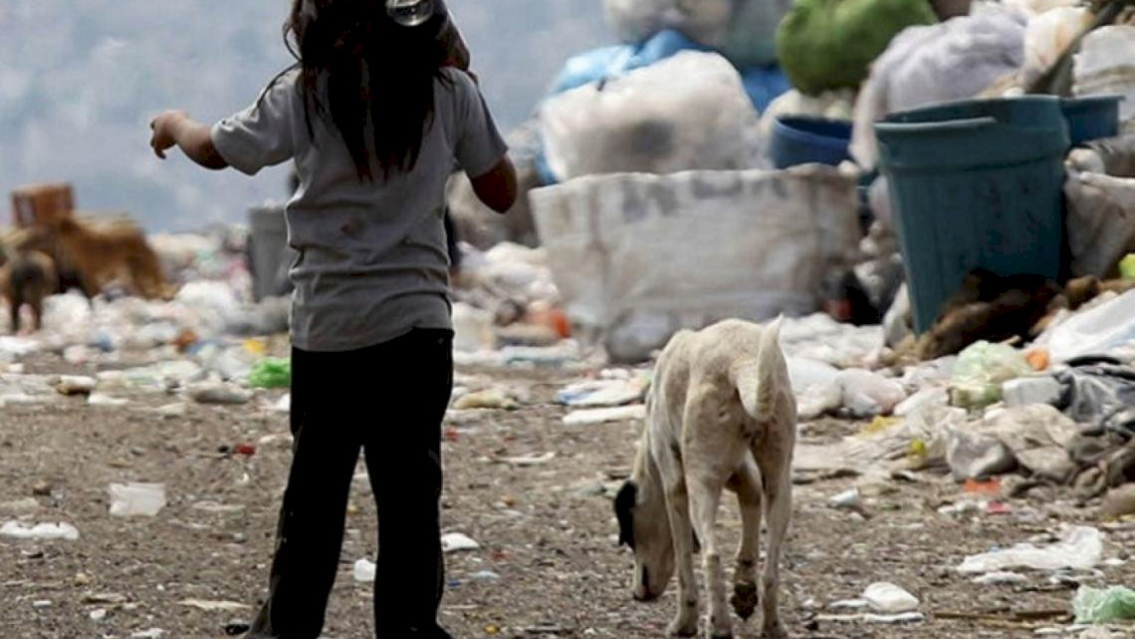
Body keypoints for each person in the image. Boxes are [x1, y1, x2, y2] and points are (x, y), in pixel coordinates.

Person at [148, 0, 517, 636]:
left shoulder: (306, 90)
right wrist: (461, 79)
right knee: (409, 504)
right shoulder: (449, 91)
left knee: (314, 501)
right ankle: (407, 630)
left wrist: (174, 123)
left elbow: (216, 149)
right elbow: (501, 191)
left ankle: (288, 628)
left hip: (329, 331)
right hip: (417, 330)